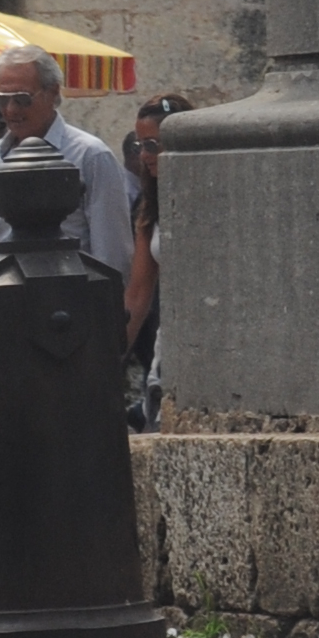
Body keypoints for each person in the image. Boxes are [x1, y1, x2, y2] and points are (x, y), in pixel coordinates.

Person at [0, 46, 134, 274]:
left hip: (72, 291)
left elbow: (113, 253)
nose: (11, 110)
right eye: (2, 100)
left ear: (52, 93)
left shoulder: (90, 155)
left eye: (22, 99)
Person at [123, 95, 193, 423]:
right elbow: (138, 295)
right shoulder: (149, 206)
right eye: (140, 146)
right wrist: (113, 357)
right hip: (170, 346)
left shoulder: (216, 195)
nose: (144, 155)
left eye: (153, 145)